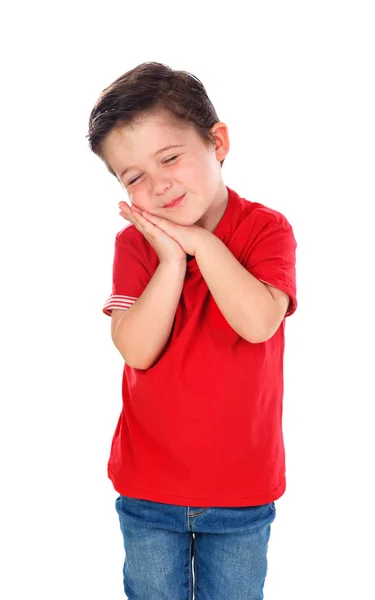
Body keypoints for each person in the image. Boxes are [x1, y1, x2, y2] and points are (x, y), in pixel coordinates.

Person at [86, 61, 297, 600]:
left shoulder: (265, 229)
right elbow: (135, 349)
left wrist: (202, 244)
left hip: (242, 489)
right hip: (148, 488)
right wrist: (171, 262)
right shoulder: (135, 246)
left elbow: (257, 323)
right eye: (134, 177)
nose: (157, 186)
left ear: (218, 142)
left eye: (171, 158)